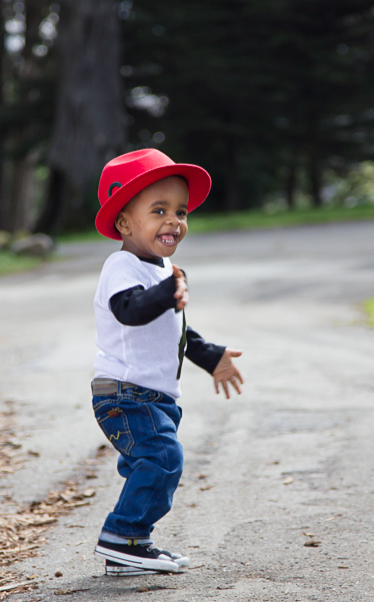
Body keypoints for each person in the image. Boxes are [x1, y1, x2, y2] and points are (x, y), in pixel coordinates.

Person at [90, 148, 244, 576]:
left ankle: (131, 549)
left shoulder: (165, 269)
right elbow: (130, 310)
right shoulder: (120, 266)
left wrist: (212, 356)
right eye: (159, 210)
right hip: (125, 392)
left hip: (153, 395)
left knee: (150, 464)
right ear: (124, 222)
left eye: (181, 211)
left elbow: (176, 332)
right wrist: (168, 290)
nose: (174, 220)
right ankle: (122, 535)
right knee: (162, 460)